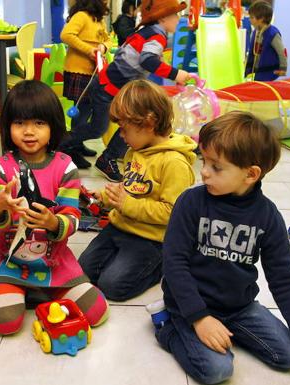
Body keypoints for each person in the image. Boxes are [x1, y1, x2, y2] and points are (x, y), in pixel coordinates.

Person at [152, 111, 290, 384]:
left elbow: (284, 280)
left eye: (216, 167)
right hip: (188, 305)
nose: (204, 171)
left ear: (251, 174)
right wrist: (199, 318)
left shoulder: (268, 216)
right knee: (217, 370)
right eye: (204, 160)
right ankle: (167, 329)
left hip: (239, 307)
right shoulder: (191, 203)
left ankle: (225, 330)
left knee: (289, 356)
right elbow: (173, 264)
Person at [0, 80, 109, 335]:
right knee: (6, 323)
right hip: (10, 263)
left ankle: (40, 289)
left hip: (55, 263)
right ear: (8, 127)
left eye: (39, 123)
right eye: (20, 123)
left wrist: (53, 223)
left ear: (54, 126)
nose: (29, 132)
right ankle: (20, 288)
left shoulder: (66, 167)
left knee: (97, 312)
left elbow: (72, 217)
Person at [78, 79, 197, 301]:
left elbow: (173, 213)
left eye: (124, 129)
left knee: (112, 286)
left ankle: (162, 264)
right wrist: (103, 198)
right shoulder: (136, 151)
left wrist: (127, 204)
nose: (121, 136)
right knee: (82, 271)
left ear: (149, 124)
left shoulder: (174, 163)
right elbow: (130, 187)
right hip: (120, 226)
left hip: (151, 239)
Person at [59, 0, 191, 182]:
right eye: (175, 15)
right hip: (107, 88)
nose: (178, 19)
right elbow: (148, 61)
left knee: (131, 122)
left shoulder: (149, 32)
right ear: (163, 18)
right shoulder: (157, 36)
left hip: (109, 84)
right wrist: (176, 74)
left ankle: (104, 156)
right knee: (101, 128)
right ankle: (60, 143)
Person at [60, 0, 112, 167]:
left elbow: (109, 39)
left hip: (93, 72)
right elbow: (66, 35)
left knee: (86, 108)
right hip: (79, 72)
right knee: (82, 110)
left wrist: (103, 46)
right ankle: (71, 148)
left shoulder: (99, 20)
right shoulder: (81, 16)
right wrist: (88, 49)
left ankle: (77, 143)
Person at [245, 0, 287, 81]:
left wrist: (283, 68)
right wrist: (248, 71)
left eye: (252, 17)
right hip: (257, 72)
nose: (249, 19)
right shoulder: (255, 32)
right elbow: (252, 53)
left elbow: (282, 52)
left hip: (268, 73)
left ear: (261, 19)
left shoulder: (272, 34)